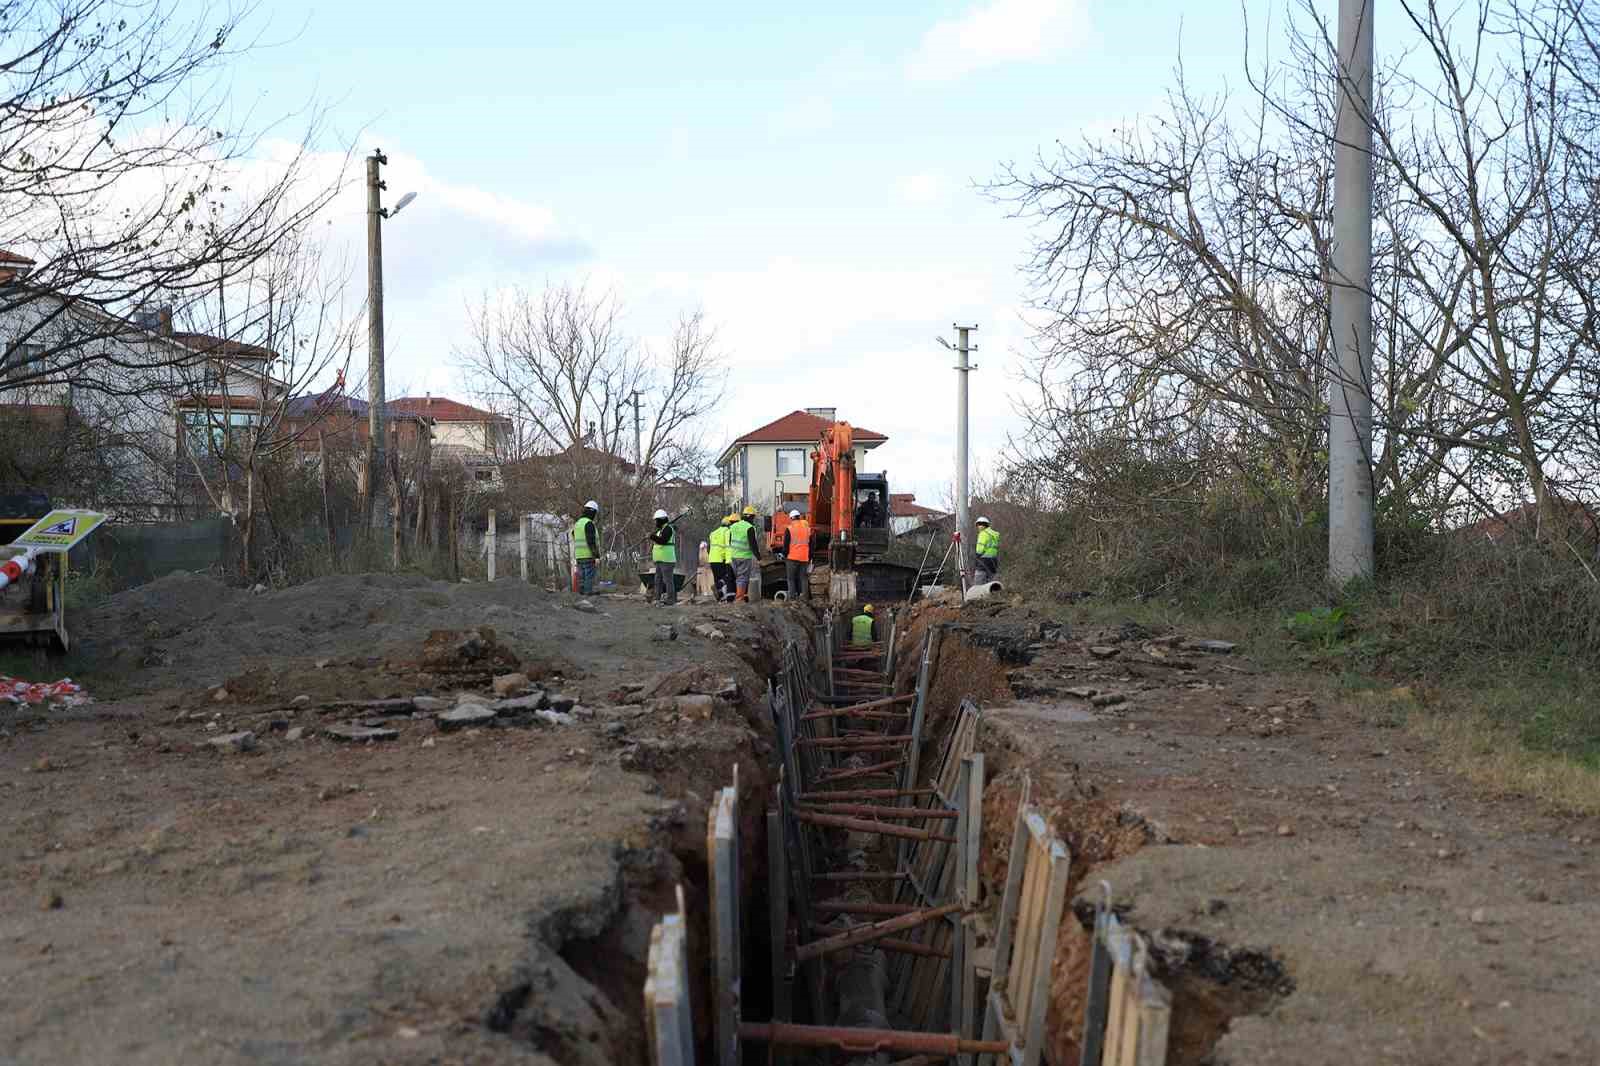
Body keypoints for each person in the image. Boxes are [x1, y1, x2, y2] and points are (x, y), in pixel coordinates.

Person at [727, 505, 763, 602]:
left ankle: (734, 598)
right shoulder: (749, 527)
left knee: (735, 578)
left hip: (733, 556)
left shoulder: (733, 526)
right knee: (742, 579)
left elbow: (730, 541)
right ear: (751, 517)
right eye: (753, 517)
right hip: (744, 557)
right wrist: (759, 558)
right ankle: (739, 599)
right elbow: (753, 545)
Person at [781, 508, 811, 602]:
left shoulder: (789, 529)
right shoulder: (807, 529)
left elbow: (786, 545)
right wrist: (810, 556)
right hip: (804, 558)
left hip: (792, 557)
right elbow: (811, 544)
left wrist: (784, 555)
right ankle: (805, 598)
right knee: (803, 578)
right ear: (799, 517)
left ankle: (793, 599)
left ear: (791, 518)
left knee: (791, 579)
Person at [649, 508, 677, 605]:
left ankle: (670, 599)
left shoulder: (668, 529)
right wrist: (654, 536)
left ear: (661, 520)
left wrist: (652, 537)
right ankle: (657, 598)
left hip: (667, 560)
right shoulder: (661, 530)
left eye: (656, 520)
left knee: (668, 580)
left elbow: (663, 541)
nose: (655, 522)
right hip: (660, 560)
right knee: (658, 580)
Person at [572, 500, 600, 595]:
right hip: (588, 555)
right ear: (593, 512)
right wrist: (596, 556)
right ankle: (588, 595)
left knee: (582, 577)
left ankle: (581, 595)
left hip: (579, 556)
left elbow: (573, 535)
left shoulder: (577, 523)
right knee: (588, 577)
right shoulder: (589, 524)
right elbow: (591, 541)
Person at [707, 514, 735, 602]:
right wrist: (729, 559)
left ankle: (720, 598)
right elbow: (728, 546)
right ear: (729, 524)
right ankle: (719, 588)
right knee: (727, 577)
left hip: (712, 559)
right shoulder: (727, 531)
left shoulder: (713, 533)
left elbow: (709, 547)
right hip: (721, 559)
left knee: (717, 578)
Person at [974, 516, 1000, 583]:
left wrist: (976, 559)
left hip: (984, 561)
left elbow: (979, 550)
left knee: (979, 582)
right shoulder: (995, 534)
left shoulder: (983, 534)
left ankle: (980, 593)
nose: (978, 527)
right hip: (994, 561)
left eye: (979, 525)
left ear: (983, 525)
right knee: (991, 582)